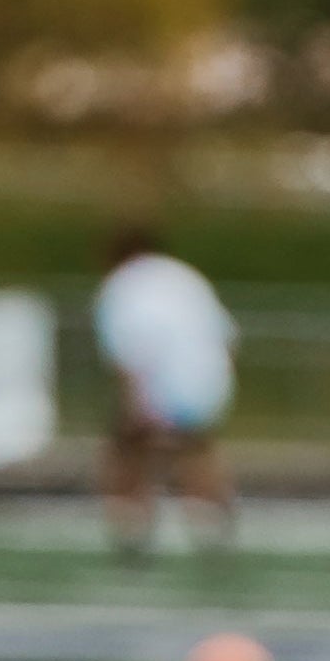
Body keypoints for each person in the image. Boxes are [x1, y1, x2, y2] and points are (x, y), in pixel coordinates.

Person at [90, 223, 236, 551]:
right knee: (196, 449)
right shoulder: (184, 276)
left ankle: (131, 525)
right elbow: (226, 338)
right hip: (209, 384)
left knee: (127, 450)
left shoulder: (122, 285)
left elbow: (131, 353)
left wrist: (135, 405)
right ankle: (212, 522)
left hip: (159, 386)